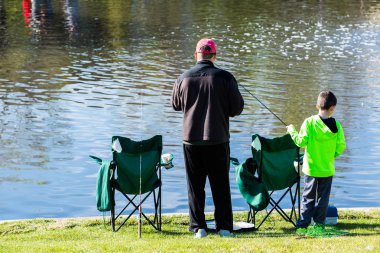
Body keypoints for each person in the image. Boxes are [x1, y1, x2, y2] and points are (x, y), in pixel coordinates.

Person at [171, 38, 244, 238]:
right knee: (220, 185)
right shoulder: (226, 78)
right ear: (214, 55)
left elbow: (176, 105)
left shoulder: (183, 78)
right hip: (218, 139)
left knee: (195, 186)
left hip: (191, 140)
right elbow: (236, 109)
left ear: (196, 55)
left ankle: (199, 227)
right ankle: (224, 228)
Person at [286, 91, 346, 233]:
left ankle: (304, 223)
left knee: (308, 197)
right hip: (327, 169)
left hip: (311, 169)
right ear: (332, 108)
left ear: (317, 105)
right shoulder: (336, 125)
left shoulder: (309, 122)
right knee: (323, 199)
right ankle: (319, 224)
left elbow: (301, 142)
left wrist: (292, 130)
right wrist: (331, 155)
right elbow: (341, 146)